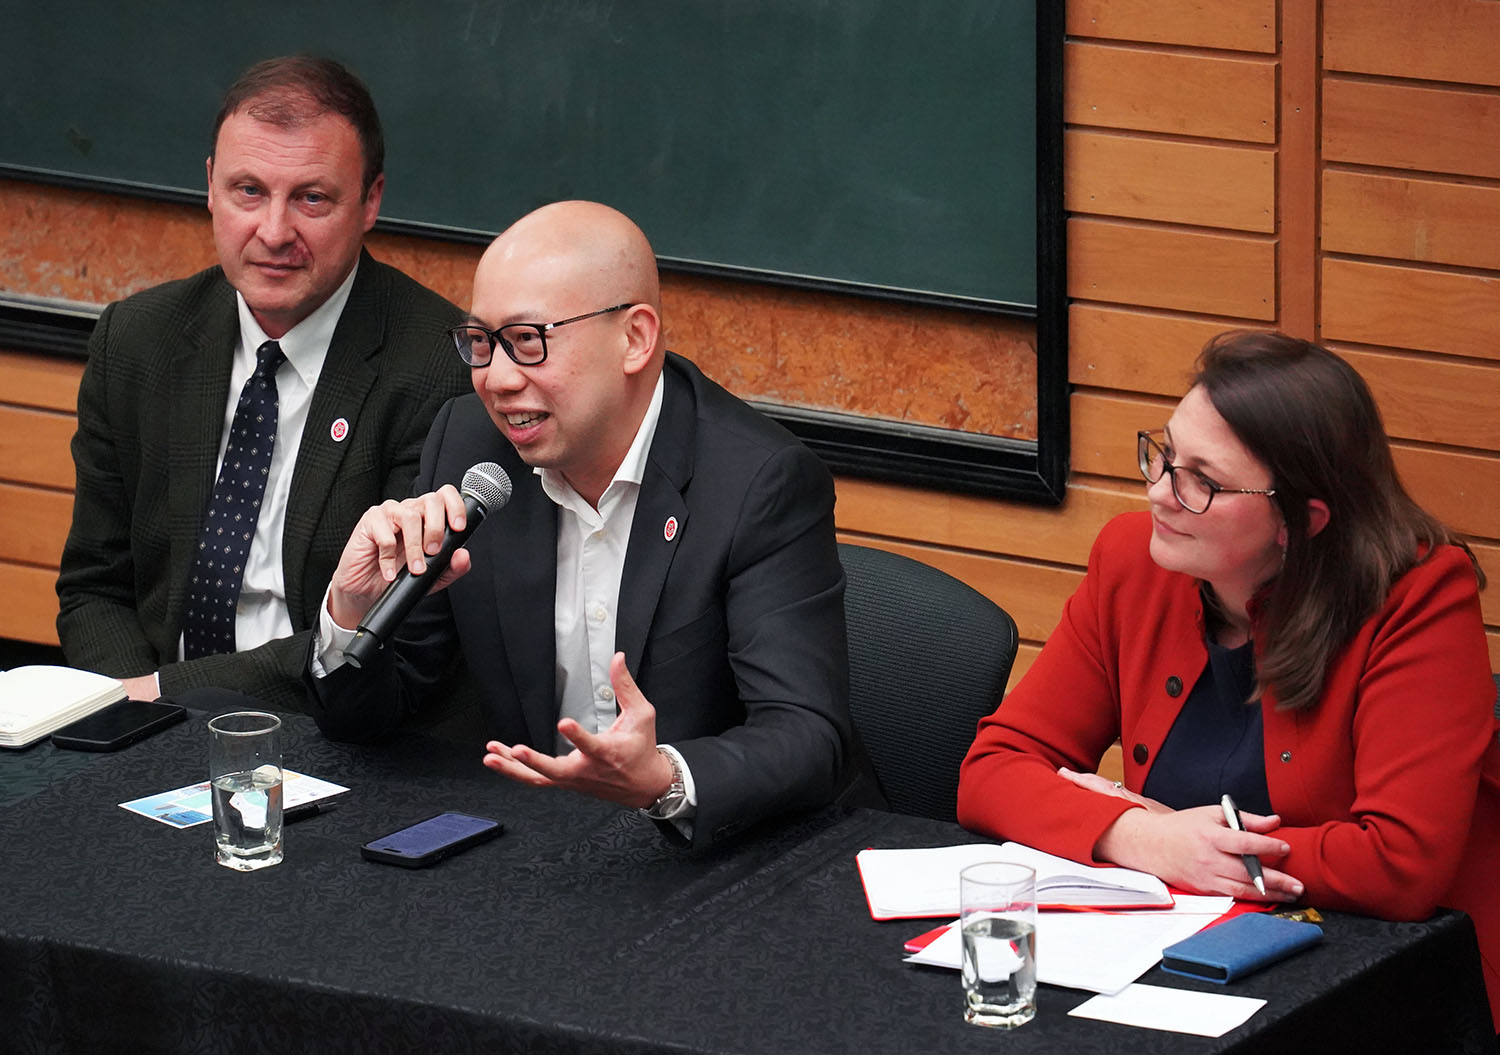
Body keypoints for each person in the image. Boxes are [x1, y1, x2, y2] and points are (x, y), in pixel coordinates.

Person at [957, 331, 1499, 1030]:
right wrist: (1143, 835)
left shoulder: (1417, 597)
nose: (1158, 491)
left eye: (1201, 480)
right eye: (1165, 453)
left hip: (1395, 985)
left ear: (1301, 520)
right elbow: (992, 769)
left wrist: (1199, 847)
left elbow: (1399, 863)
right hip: (1187, 966)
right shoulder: (1133, 561)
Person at [306, 200, 861, 847]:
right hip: (548, 849)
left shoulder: (758, 481)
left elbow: (805, 733)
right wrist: (351, 614)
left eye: (528, 341)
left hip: (731, 854)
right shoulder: (468, 446)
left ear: (634, 338)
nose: (497, 379)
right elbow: (373, 716)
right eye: (481, 343)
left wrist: (666, 778)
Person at [56, 56, 470, 710]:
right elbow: (94, 589)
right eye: (249, 191)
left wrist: (165, 696)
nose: (275, 233)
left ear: (370, 201)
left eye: (312, 198)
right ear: (211, 187)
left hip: (334, 739)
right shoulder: (137, 340)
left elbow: (394, 635)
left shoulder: (440, 368)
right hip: (141, 725)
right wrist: (127, 718)